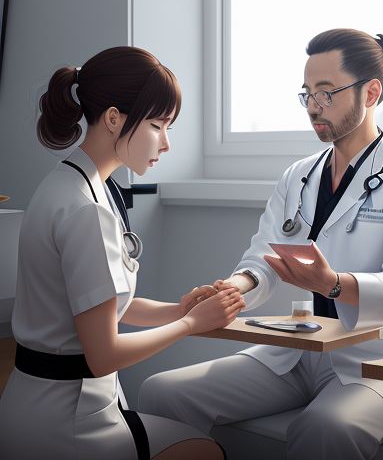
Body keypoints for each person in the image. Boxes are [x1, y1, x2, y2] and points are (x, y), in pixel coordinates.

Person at [138, 29, 383, 460]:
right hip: (298, 352)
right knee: (163, 392)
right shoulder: (299, 176)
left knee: (324, 427)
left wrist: (333, 283)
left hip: (376, 363)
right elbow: (262, 258)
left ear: (371, 92)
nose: (314, 108)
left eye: (327, 93)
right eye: (307, 94)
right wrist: (234, 287)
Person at [0, 46, 245, 460]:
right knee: (207, 451)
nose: (166, 143)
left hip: (28, 407)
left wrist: (180, 309)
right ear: (113, 118)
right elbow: (104, 354)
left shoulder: (68, 185)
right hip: (69, 427)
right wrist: (190, 325)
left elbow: (99, 307)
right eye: (157, 125)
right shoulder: (87, 210)